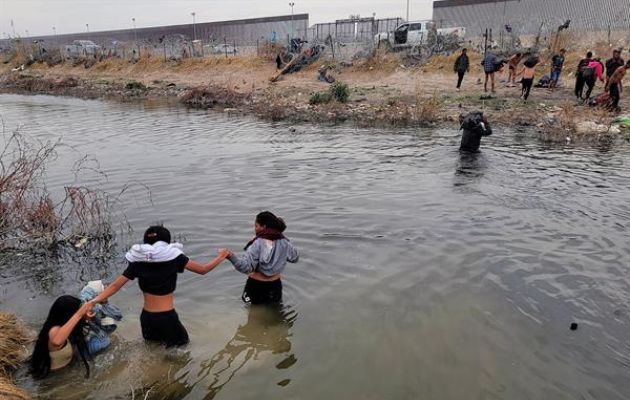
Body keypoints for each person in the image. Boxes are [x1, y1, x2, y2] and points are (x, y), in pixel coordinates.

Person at [87, 226, 229, 348]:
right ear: (166, 241)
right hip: (167, 318)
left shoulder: (138, 262)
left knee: (152, 351)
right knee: (182, 353)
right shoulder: (175, 257)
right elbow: (203, 270)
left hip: (147, 318)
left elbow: (115, 285)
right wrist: (221, 256)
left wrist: (93, 302)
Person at [223, 211, 299, 305]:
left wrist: (230, 256)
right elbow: (295, 258)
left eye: (256, 226)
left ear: (264, 227)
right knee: (275, 314)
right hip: (275, 286)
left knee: (254, 315)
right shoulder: (284, 242)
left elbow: (245, 267)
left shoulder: (257, 243)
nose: (255, 229)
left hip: (256, 286)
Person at [30, 295, 92, 378]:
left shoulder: (62, 327)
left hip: (64, 369)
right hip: (54, 377)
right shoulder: (54, 331)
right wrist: (79, 314)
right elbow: (57, 341)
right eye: (77, 311)